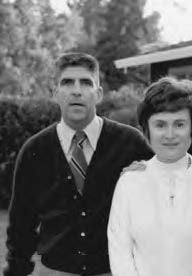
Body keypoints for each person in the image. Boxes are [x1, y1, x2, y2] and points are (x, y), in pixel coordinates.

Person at [4, 52, 153, 276]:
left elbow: (163, 200)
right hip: (54, 272)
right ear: (55, 93)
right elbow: (20, 226)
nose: (77, 90)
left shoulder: (131, 143)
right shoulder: (34, 150)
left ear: (99, 93)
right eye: (67, 82)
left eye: (86, 82)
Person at [107, 76, 192, 276]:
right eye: (160, 125)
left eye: (179, 124)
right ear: (147, 129)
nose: (170, 134)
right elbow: (120, 252)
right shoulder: (129, 182)